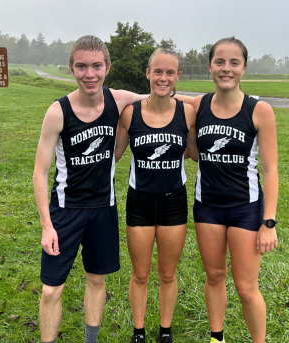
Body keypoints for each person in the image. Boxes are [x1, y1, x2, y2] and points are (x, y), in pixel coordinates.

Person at [33, 35, 148, 343]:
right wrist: (47, 225)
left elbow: (159, 98)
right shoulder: (58, 112)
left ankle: (91, 340)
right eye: (82, 66)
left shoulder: (119, 100)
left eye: (96, 66)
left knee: (96, 280)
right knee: (50, 289)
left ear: (107, 67)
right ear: (72, 69)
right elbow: (40, 171)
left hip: (103, 209)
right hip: (65, 211)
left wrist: (210, 103)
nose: (90, 74)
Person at [180, 37, 278, 343]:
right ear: (209, 66)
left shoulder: (259, 110)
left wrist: (268, 222)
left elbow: (271, 170)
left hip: (245, 209)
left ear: (244, 68)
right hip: (207, 206)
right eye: (219, 62)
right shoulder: (198, 105)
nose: (226, 69)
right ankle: (217, 337)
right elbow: (159, 94)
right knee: (214, 276)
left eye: (234, 62)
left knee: (247, 289)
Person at [115, 49, 197, 343]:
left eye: (170, 73)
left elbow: (197, 154)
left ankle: (165, 331)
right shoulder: (130, 114)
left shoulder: (187, 113)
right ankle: (139, 333)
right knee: (140, 274)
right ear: (148, 74)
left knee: (167, 273)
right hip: (139, 202)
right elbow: (114, 154)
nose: (164, 78)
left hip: (174, 201)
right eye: (158, 72)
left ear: (177, 76)